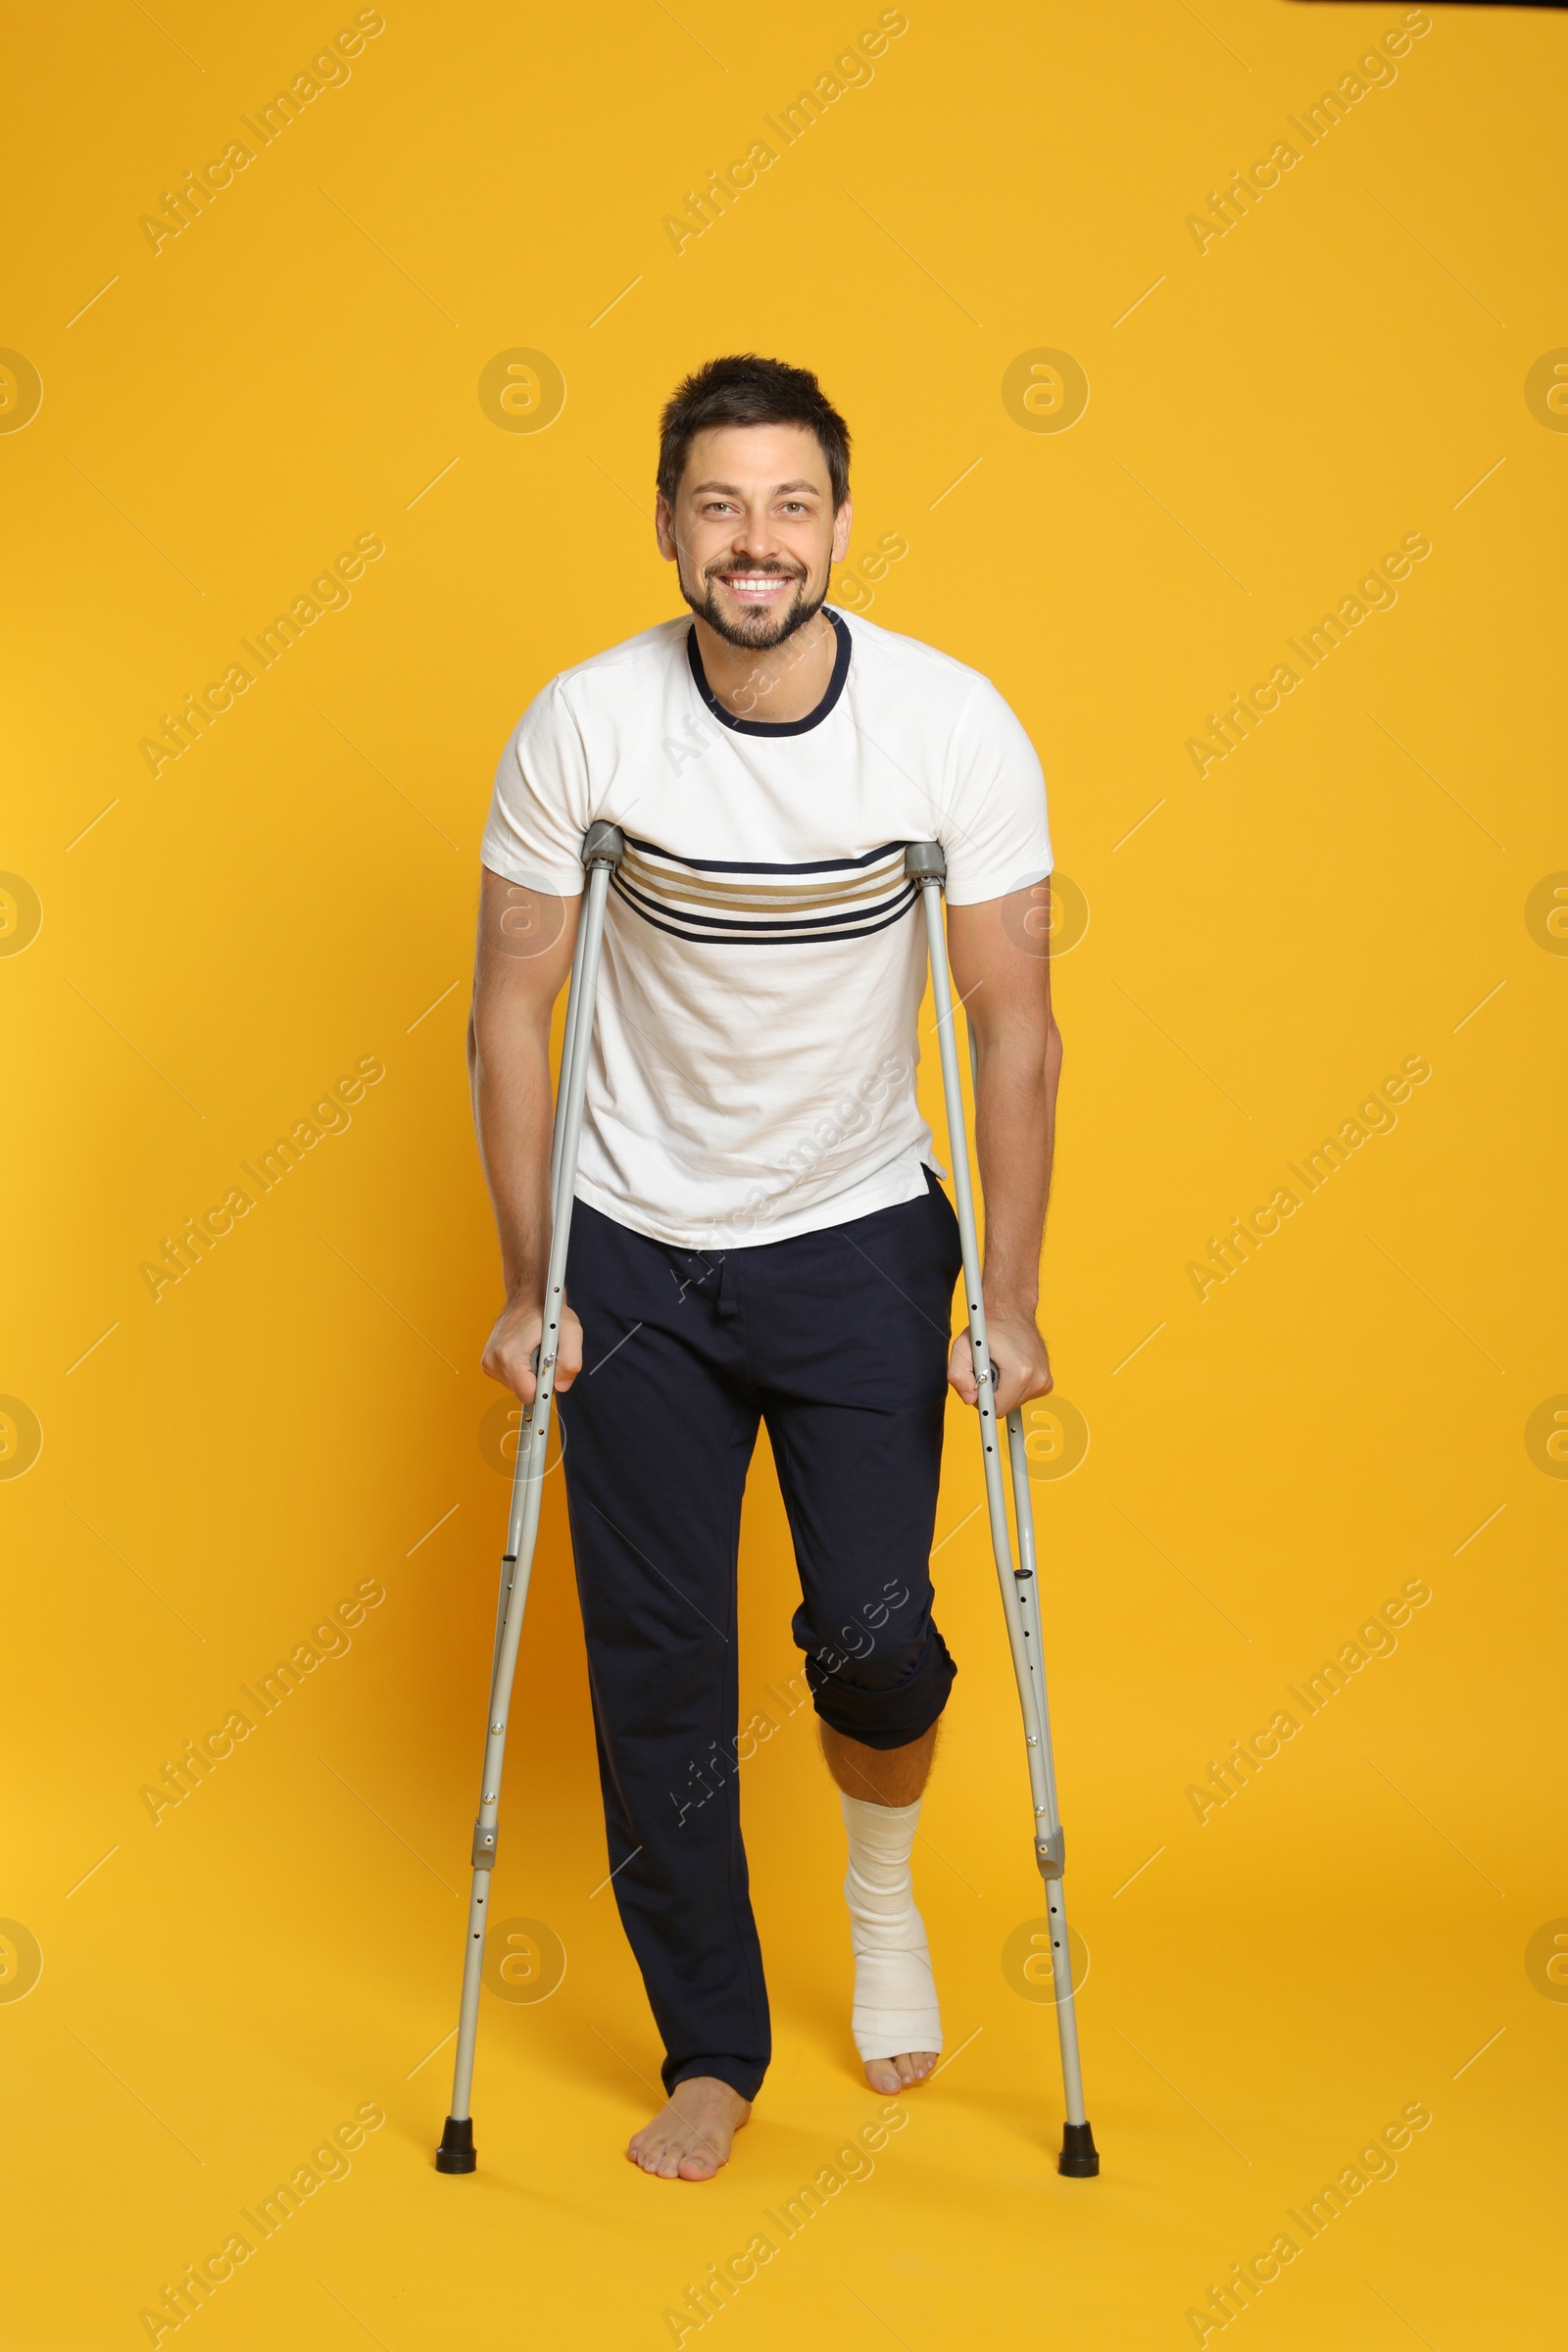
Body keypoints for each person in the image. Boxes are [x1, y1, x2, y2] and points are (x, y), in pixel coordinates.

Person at [469, 353, 1060, 2181]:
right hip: (633, 1248)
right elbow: (509, 1005)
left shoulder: (950, 725)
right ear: (666, 526)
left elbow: (1010, 1021)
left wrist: (1012, 1302)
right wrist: (527, 1277)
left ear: (841, 527)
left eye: (789, 505)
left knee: (875, 1647)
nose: (755, 542)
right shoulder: (586, 723)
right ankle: (710, 2046)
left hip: (858, 1238)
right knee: (654, 1668)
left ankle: (881, 1887)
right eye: (718, 504)